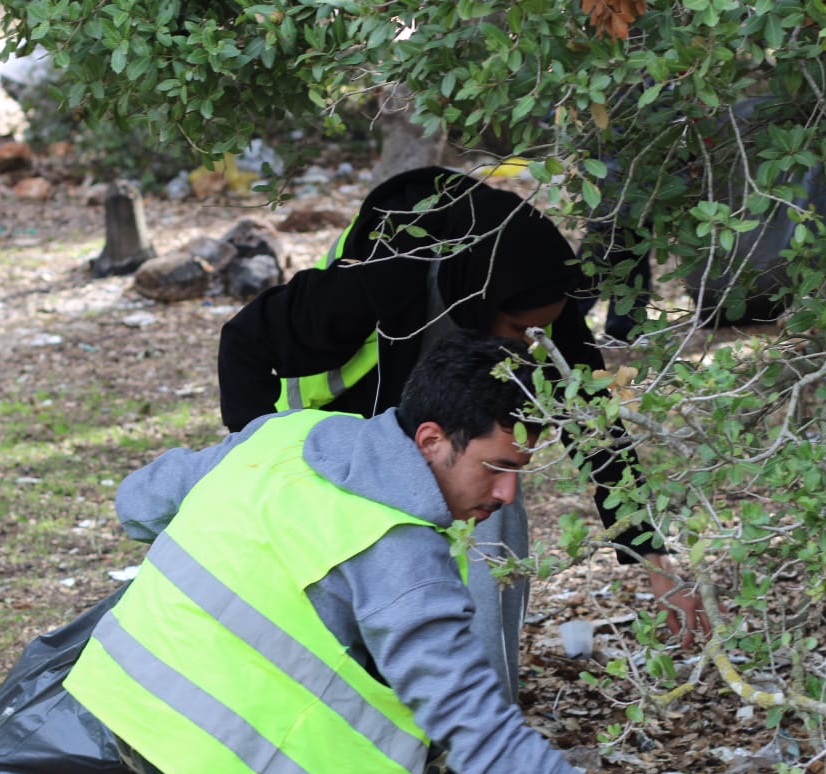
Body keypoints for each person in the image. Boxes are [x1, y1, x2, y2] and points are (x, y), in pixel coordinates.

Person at [63, 334, 730, 774]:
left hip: (122, 698)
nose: (506, 495)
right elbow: (481, 733)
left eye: (519, 471)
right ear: (432, 440)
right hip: (194, 738)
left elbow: (137, 505)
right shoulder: (398, 548)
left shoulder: (289, 434)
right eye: (495, 468)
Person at [217, 166, 708, 690]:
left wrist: (652, 553)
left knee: (495, 494)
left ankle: (480, 711)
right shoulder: (384, 276)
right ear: (481, 299)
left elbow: (588, 410)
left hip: (435, 425)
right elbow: (244, 341)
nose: (530, 347)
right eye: (520, 331)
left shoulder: (534, 289)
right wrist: (261, 463)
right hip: (336, 432)